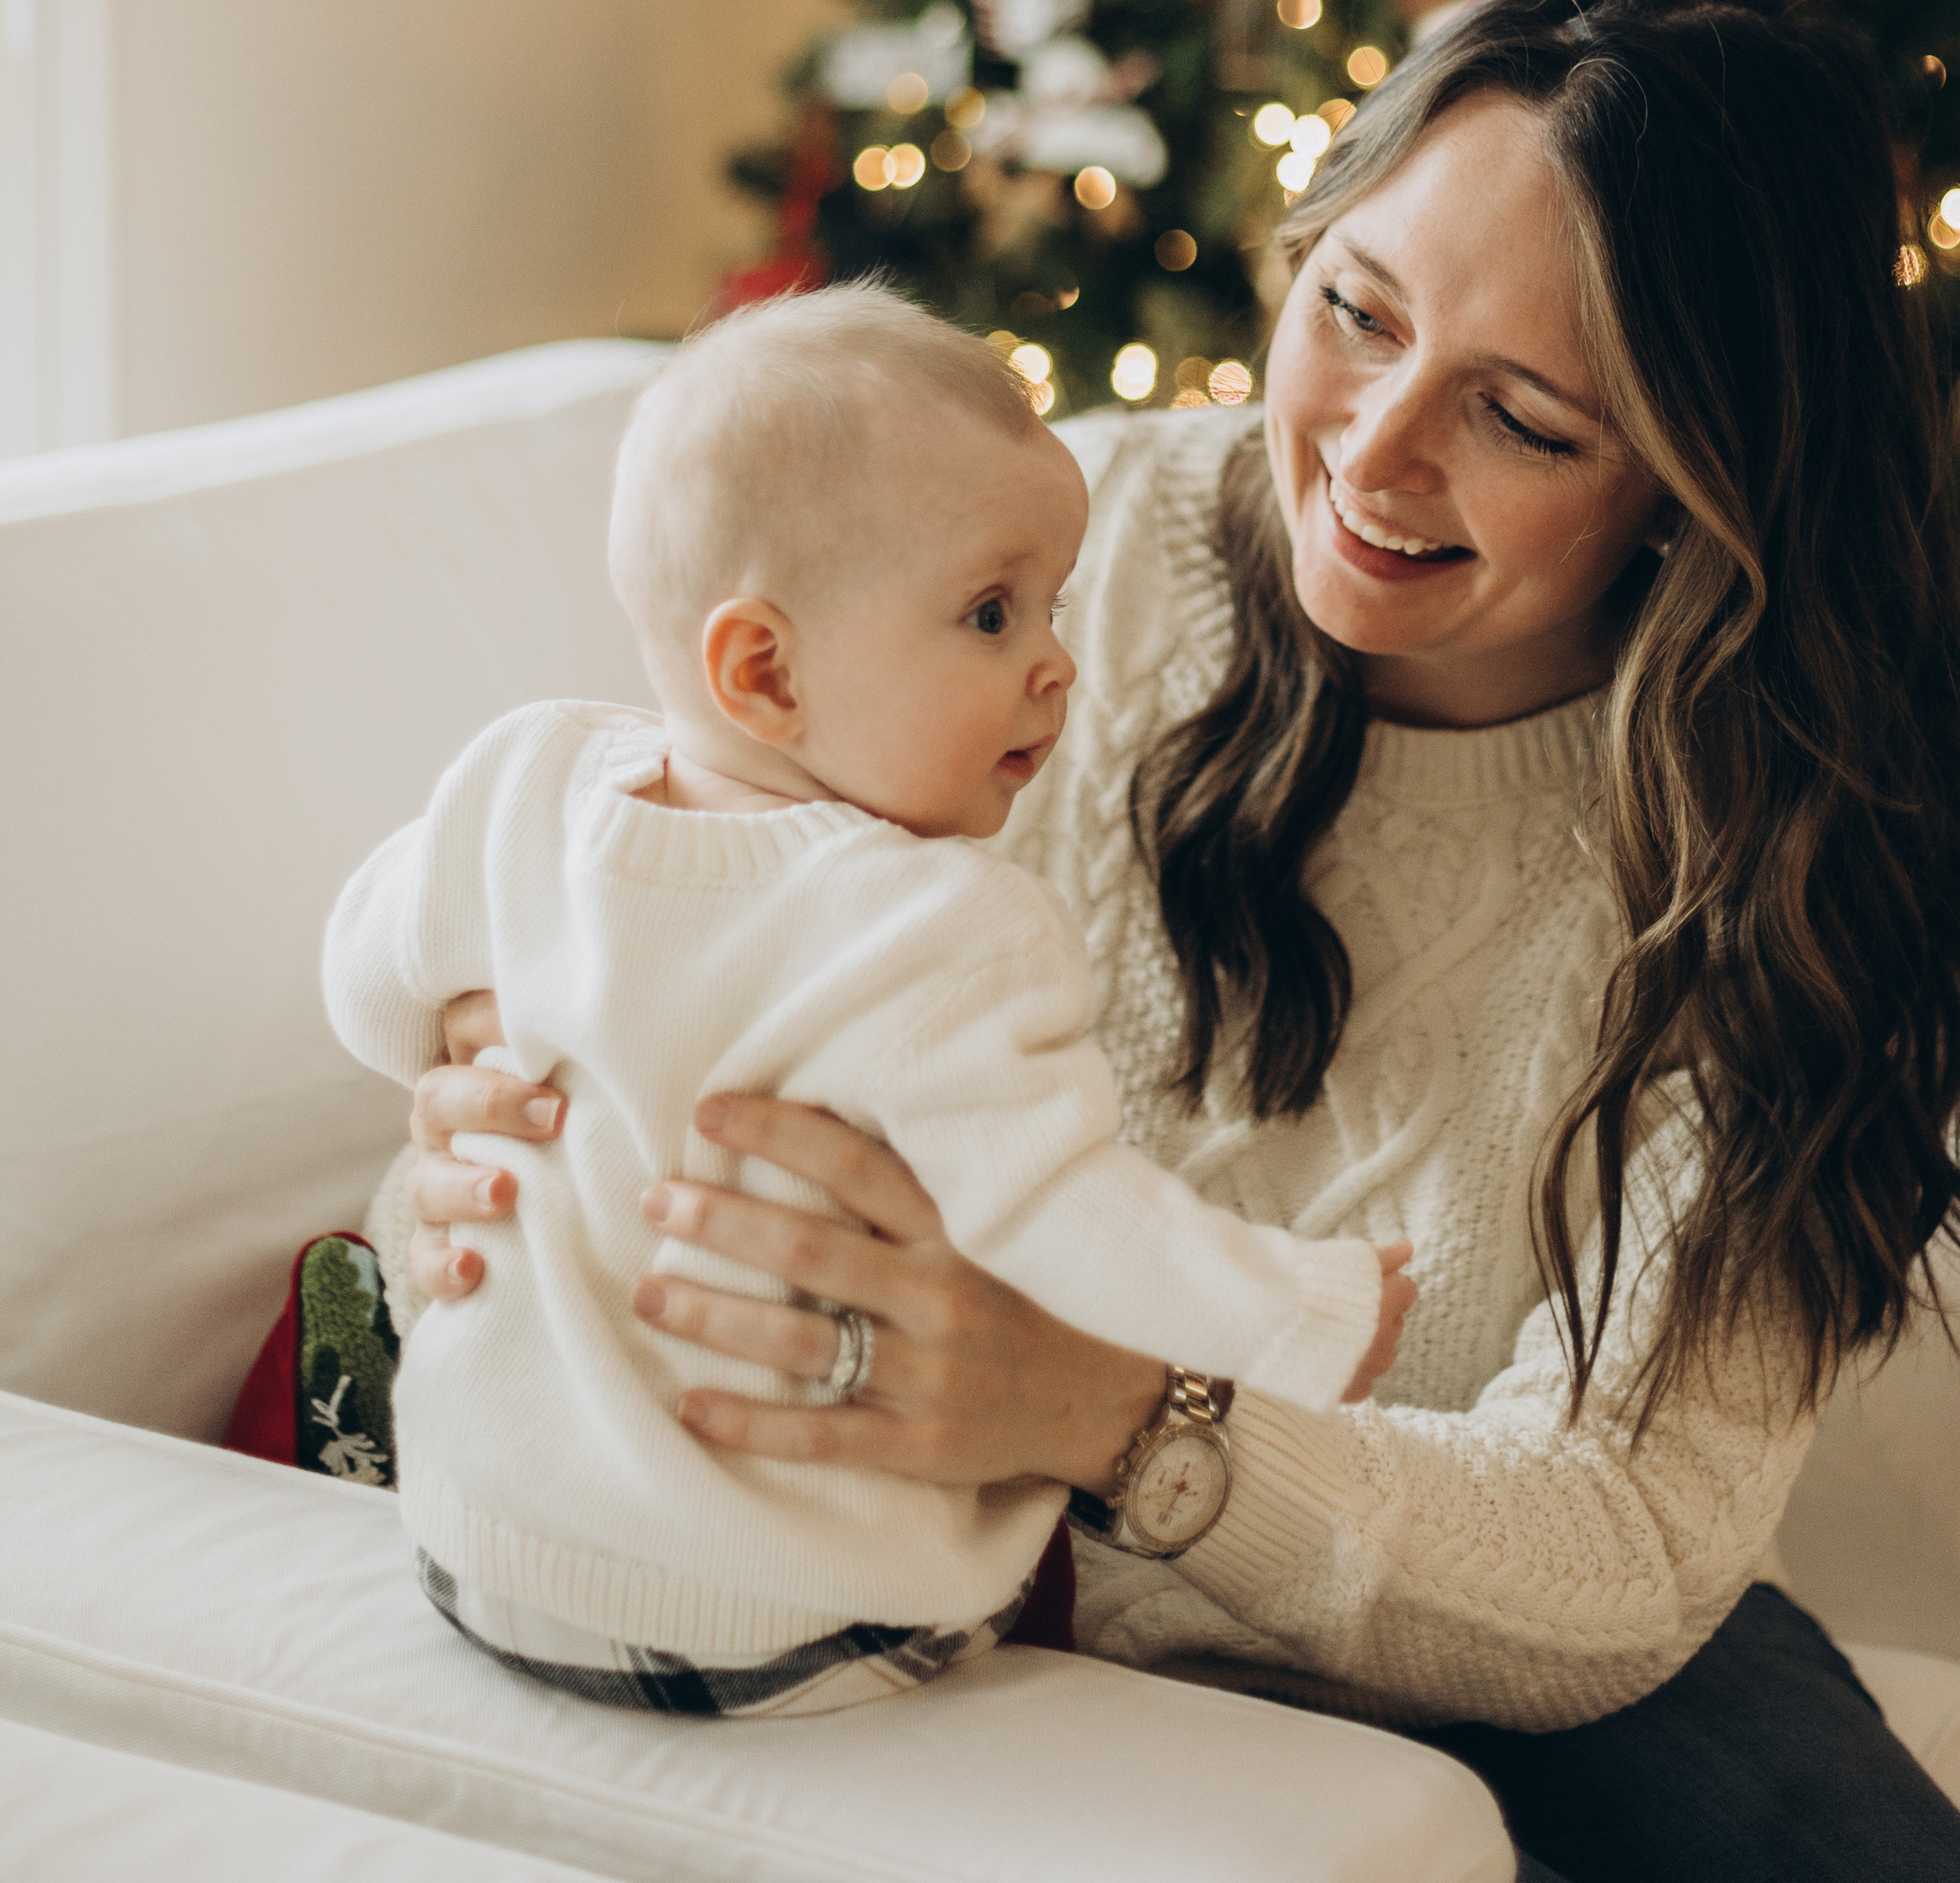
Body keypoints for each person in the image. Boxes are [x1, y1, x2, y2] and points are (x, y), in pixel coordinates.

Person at [387, 0, 1960, 1883]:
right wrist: (493, 1108)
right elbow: (653, 880)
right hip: (972, 1619)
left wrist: (1117, 1414)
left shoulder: (1779, 850)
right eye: (1354, 313)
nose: (1371, 454)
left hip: (1450, 1579)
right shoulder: (1042, 548)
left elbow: (1629, 1544)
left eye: (1522, 417)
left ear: (1695, 474)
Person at [328, 285, 1408, 1721]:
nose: (1056, 663)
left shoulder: (522, 783)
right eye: (988, 611)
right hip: (772, 1621)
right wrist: (1300, 1314)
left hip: (472, 1551)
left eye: (1052, 605)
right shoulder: (935, 926)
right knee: (994, 1568)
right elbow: (1070, 1220)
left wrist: (454, 1035)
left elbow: (359, 967)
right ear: (763, 670)